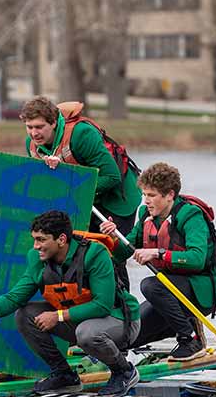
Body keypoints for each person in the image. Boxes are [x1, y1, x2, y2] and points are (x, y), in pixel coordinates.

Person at [0, 210, 141, 396]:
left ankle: (124, 371)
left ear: (61, 240)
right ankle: (64, 375)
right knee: (25, 315)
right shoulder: (37, 258)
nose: (36, 246)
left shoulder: (95, 253)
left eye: (41, 240)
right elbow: (15, 297)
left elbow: (103, 305)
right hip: (80, 321)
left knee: (86, 333)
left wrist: (58, 315)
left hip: (121, 321)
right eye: (34, 239)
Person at [100, 162, 216, 361]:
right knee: (126, 337)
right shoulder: (145, 214)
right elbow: (122, 253)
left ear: (170, 195)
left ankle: (190, 339)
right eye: (144, 195)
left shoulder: (191, 215)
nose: (146, 201)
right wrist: (113, 236)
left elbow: (196, 259)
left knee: (149, 285)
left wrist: (157, 253)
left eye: (151, 195)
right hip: (168, 291)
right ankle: (180, 325)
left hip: (198, 289)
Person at [20, 96, 141, 288]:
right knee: (80, 254)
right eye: (29, 127)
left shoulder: (81, 134)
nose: (34, 133)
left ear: (53, 123)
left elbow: (112, 177)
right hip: (83, 200)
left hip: (117, 199)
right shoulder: (31, 145)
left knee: (110, 257)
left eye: (39, 127)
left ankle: (123, 310)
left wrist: (72, 187)